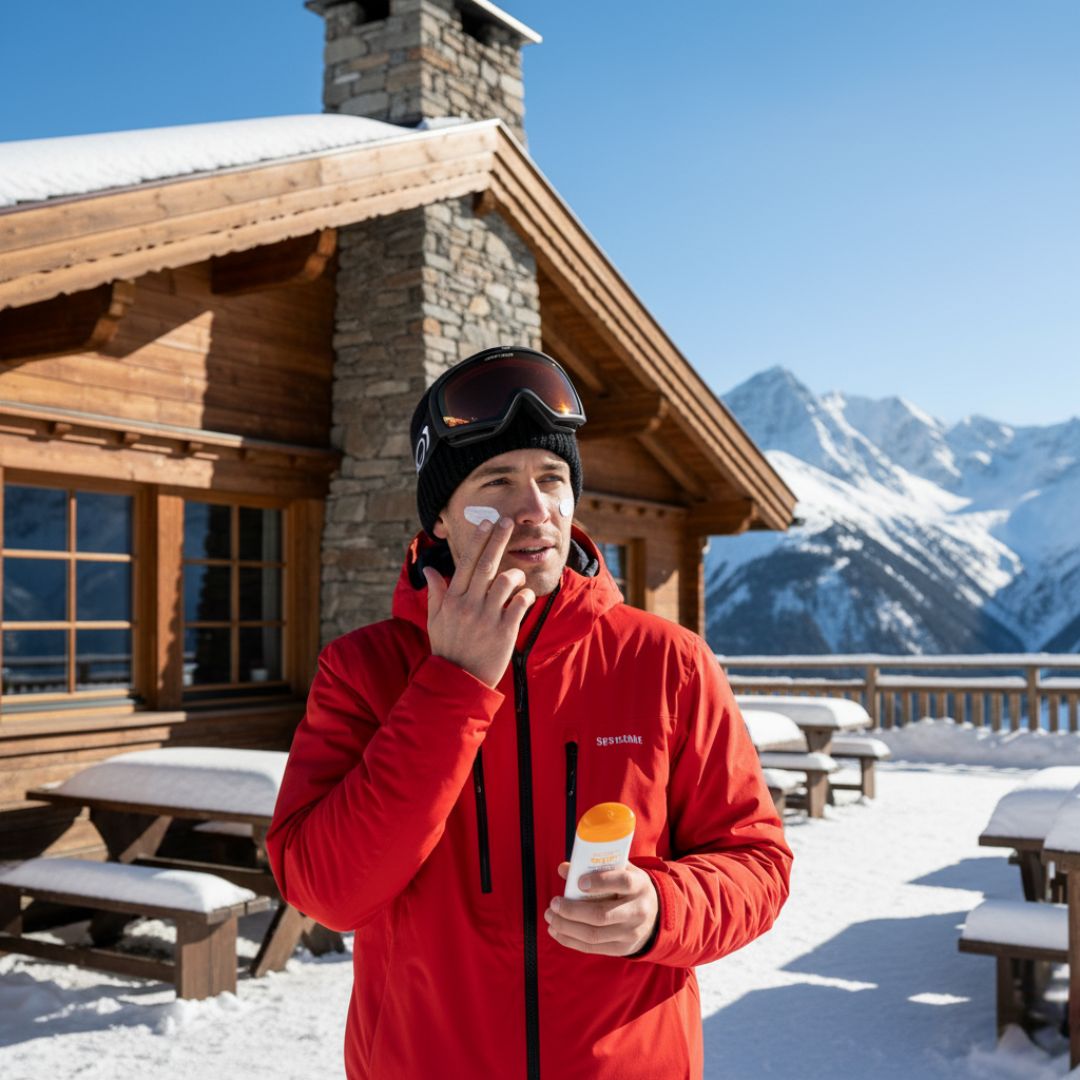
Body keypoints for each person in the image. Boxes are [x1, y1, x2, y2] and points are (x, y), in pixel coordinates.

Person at [266, 345, 792, 1080]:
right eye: (497, 481)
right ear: (441, 517)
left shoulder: (666, 661)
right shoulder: (363, 671)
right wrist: (453, 684)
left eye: (552, 478)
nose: (536, 509)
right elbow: (326, 892)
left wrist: (662, 908)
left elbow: (757, 863)